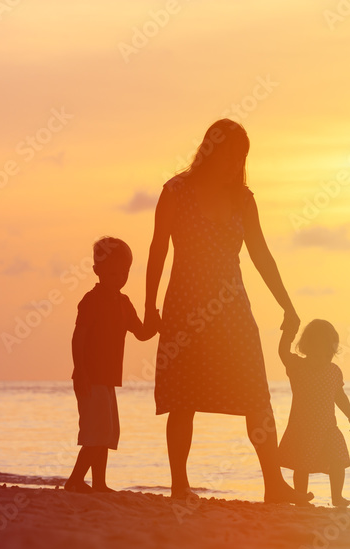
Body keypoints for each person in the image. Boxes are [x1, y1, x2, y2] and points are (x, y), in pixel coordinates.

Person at [144, 118, 311, 505]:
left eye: (242, 158)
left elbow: (261, 255)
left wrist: (287, 304)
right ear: (211, 151)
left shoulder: (243, 199)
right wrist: (149, 305)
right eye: (231, 156)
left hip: (232, 308)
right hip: (185, 305)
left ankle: (274, 484)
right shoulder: (176, 191)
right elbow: (157, 249)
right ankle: (179, 485)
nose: (236, 165)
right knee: (183, 398)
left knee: (255, 392)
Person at [64, 236, 157, 493]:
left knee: (106, 433)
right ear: (97, 270)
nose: (119, 277)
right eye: (113, 272)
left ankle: (100, 483)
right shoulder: (91, 300)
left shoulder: (124, 303)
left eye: (124, 272)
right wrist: (80, 371)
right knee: (96, 433)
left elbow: (141, 332)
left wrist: (157, 319)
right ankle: (74, 481)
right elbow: (78, 337)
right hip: (90, 377)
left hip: (108, 378)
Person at [277, 319, 350, 507]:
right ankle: (300, 497)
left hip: (329, 428)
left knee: (338, 459)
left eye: (329, 354)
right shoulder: (297, 366)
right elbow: (282, 352)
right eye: (319, 353)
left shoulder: (334, 371)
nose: (324, 359)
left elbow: (339, 396)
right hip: (302, 428)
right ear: (308, 348)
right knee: (301, 465)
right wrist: (287, 333)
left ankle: (337, 497)